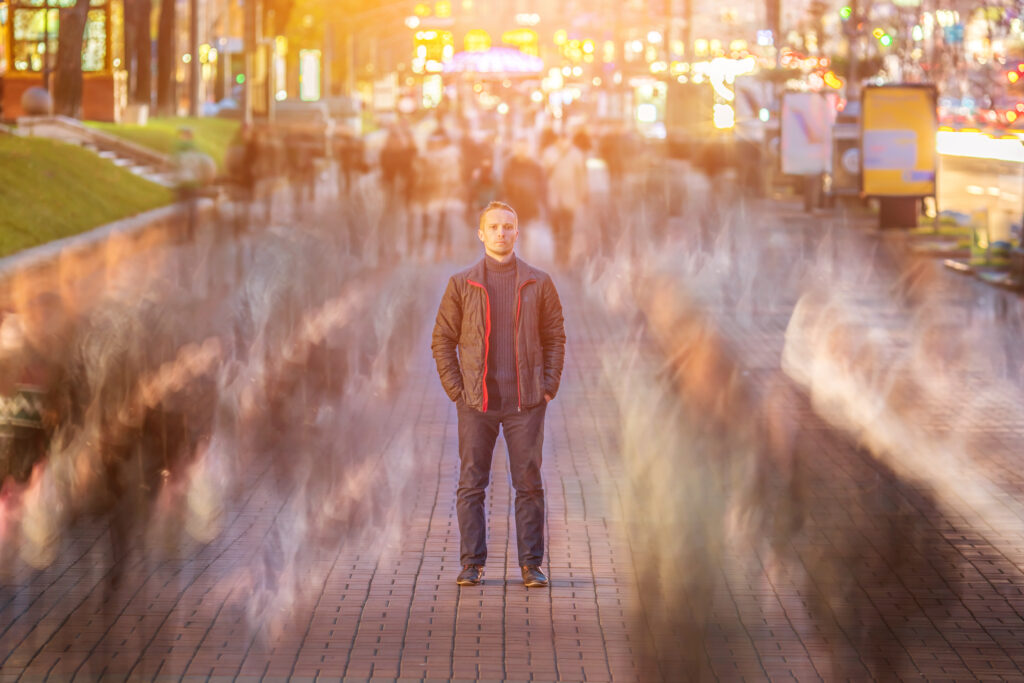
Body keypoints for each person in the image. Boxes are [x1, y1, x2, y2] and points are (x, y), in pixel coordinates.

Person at [430, 201, 566, 588]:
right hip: (477, 402)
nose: (502, 233)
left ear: (517, 233)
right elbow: (442, 339)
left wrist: (549, 386)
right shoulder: (461, 284)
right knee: (472, 483)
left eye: (508, 227)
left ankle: (531, 565)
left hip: (526, 402)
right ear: (481, 233)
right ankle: (471, 564)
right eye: (494, 227)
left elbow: (555, 336)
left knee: (528, 484)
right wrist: (457, 390)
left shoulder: (539, 282)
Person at [542, 134, 588, 266]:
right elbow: (543, 174)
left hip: (570, 198)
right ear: (557, 141)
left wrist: (582, 193)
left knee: (568, 228)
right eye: (561, 140)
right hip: (553, 198)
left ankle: (565, 256)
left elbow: (581, 175)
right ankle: (557, 253)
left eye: (566, 140)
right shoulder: (549, 153)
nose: (564, 143)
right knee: (555, 228)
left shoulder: (576, 154)